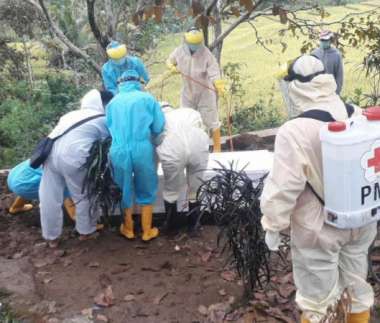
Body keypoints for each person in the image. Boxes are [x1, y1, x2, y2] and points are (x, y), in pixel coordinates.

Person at [261, 55, 376, 323]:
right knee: (356, 285)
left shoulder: (295, 131)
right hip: (360, 220)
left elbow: (284, 186)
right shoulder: (356, 113)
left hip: (319, 227)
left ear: (296, 87)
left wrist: (272, 223)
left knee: (317, 300)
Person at [39, 89, 113, 245]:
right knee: (84, 195)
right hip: (74, 157)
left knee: (50, 197)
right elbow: (112, 142)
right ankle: (86, 232)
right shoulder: (103, 119)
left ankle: (51, 238)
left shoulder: (69, 115)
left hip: (50, 156)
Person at [106, 70, 165, 242]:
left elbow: (108, 126)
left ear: (120, 84)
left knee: (123, 186)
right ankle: (147, 230)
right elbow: (158, 126)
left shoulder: (112, 103)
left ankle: (128, 228)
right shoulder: (147, 99)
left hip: (118, 148)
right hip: (142, 147)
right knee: (147, 185)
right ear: (138, 82)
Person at [166, 27, 226, 152]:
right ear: (186, 41)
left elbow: (214, 71)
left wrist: (219, 84)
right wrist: (171, 66)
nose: (195, 46)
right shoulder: (179, 51)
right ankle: (191, 149)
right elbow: (170, 60)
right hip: (187, 91)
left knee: (211, 120)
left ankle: (217, 148)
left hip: (205, 92)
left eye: (197, 44)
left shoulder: (206, 53)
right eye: (192, 44)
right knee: (186, 120)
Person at [156, 103, 209, 234]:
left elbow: (156, 140)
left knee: (171, 190)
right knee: (195, 188)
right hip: (198, 144)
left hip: (173, 149)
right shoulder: (189, 112)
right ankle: (194, 225)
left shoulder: (159, 119)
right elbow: (203, 127)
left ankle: (172, 227)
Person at [311, 30, 344, 94]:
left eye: (325, 40)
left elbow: (339, 76)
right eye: (322, 40)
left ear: (330, 41)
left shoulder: (336, 55)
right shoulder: (314, 54)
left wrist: (336, 92)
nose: (323, 42)